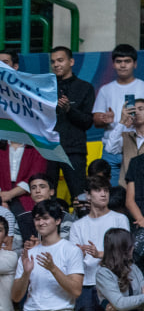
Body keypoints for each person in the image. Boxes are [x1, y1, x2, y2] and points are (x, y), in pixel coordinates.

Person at [12, 200, 84, 311]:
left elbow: (76, 290)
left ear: (57, 220)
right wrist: (26, 273)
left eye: (45, 218)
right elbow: (16, 297)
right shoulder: (29, 253)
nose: (40, 223)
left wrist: (53, 269)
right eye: (37, 219)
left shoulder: (71, 250)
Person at [69, 175, 129, 306]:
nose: (103, 194)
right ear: (88, 195)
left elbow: (126, 252)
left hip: (114, 281)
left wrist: (99, 254)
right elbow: (72, 259)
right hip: (86, 283)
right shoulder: (77, 226)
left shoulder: (120, 219)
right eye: (98, 190)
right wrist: (79, 254)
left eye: (106, 190)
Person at [50, 45, 94, 198]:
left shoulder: (85, 88)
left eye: (60, 60)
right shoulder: (46, 89)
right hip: (49, 149)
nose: (56, 64)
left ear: (71, 62)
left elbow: (87, 121)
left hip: (74, 150)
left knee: (79, 196)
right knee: (47, 196)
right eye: (53, 61)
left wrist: (69, 109)